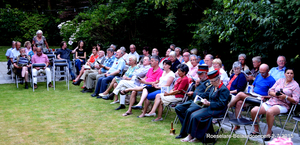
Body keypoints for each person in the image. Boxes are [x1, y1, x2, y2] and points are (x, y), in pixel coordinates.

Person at [180, 70, 230, 143]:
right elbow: (210, 97)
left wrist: (209, 103)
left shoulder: (224, 89)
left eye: (213, 81)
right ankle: (191, 135)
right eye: (210, 81)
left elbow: (222, 104)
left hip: (218, 111)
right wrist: (204, 101)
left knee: (196, 116)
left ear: (218, 79)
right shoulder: (213, 87)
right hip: (210, 107)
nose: (211, 83)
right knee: (192, 114)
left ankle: (196, 136)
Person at [250, 68, 300, 141]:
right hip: (272, 101)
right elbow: (270, 91)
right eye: (288, 73)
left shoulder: (295, 85)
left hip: (283, 104)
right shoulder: (280, 80)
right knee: (254, 110)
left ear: (293, 75)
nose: (289, 75)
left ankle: (269, 132)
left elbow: (296, 100)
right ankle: (256, 130)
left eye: (291, 73)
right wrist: (276, 94)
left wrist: (285, 97)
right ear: (284, 74)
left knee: (270, 111)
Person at [228, 64, 276, 131]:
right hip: (252, 95)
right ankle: (237, 125)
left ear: (268, 71)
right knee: (239, 102)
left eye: (263, 73)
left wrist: (265, 96)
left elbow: (273, 95)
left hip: (261, 98)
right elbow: (253, 85)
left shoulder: (272, 80)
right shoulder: (259, 76)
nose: (261, 74)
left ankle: (226, 107)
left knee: (240, 94)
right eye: (260, 72)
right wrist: (251, 89)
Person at [175, 65, 213, 139]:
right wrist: (194, 88)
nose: (198, 76)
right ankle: (187, 127)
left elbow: (206, 95)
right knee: (178, 108)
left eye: (200, 74)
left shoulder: (209, 83)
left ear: (206, 73)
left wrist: (194, 93)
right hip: (193, 100)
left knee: (189, 111)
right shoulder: (200, 81)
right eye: (198, 74)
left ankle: (184, 132)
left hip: (202, 102)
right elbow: (196, 91)